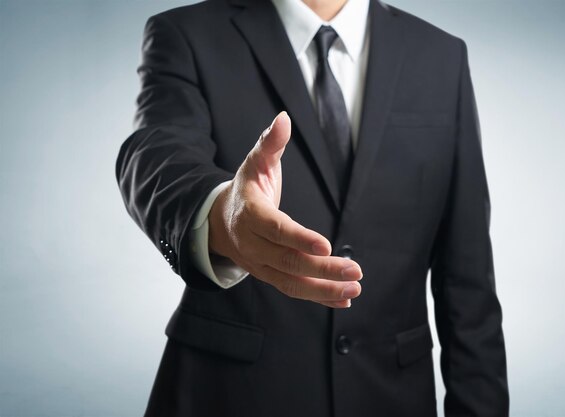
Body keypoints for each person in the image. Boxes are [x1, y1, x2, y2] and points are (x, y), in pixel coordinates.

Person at [115, 0, 510, 415]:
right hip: (227, 396)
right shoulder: (185, 33)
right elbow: (154, 154)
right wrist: (220, 215)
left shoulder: (442, 56)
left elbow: (469, 288)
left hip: (391, 397)